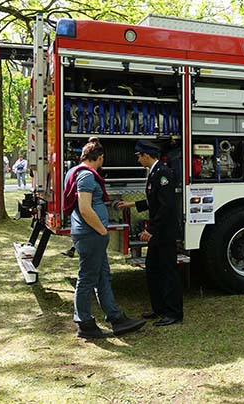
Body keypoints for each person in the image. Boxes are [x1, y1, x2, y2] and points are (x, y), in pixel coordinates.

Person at [63, 136, 146, 339]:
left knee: (102, 276)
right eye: (103, 159)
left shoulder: (73, 172)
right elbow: (84, 207)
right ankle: (84, 322)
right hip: (91, 234)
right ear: (99, 157)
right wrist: (101, 229)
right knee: (87, 278)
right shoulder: (87, 176)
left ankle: (115, 317)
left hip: (89, 233)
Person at [117, 140, 183, 327]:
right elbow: (153, 200)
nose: (138, 160)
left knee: (168, 273)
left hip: (165, 233)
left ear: (146, 155)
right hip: (158, 232)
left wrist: (150, 230)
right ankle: (159, 308)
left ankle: (174, 313)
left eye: (138, 156)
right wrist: (131, 204)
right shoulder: (154, 172)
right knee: (153, 270)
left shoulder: (163, 174)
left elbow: (166, 206)